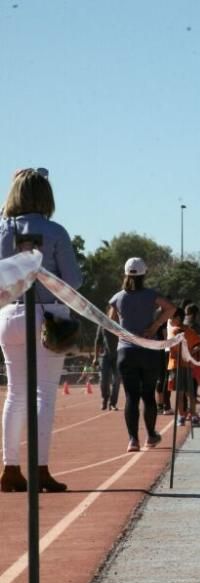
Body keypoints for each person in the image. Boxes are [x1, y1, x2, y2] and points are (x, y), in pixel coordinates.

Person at [0, 169, 83, 493]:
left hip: (10, 316)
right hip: (49, 320)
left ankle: (10, 469)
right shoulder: (55, 231)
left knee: (16, 395)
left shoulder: (4, 230)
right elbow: (73, 281)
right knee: (43, 394)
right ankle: (41, 469)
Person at [108, 258, 177, 453]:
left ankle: (133, 440)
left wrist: (122, 332)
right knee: (148, 395)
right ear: (144, 274)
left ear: (126, 274)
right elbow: (171, 308)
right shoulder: (151, 295)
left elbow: (109, 322)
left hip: (126, 352)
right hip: (148, 350)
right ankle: (151, 435)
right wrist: (154, 325)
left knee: (131, 396)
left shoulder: (117, 298)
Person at [93, 315, 120, 411]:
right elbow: (97, 341)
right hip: (105, 356)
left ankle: (113, 403)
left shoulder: (121, 323)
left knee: (116, 380)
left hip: (118, 356)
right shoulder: (102, 324)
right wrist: (95, 357)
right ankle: (105, 399)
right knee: (104, 380)